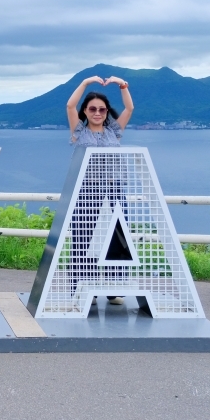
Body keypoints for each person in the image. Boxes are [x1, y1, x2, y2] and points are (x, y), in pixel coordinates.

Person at [65, 75, 134, 307]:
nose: (97, 113)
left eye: (102, 109)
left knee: (117, 236)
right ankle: (84, 288)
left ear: (107, 112)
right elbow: (69, 105)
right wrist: (85, 84)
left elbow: (129, 107)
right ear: (85, 111)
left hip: (114, 189)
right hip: (86, 189)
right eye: (92, 108)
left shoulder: (114, 132)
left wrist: (122, 85)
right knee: (83, 237)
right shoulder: (78, 132)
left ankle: (114, 289)